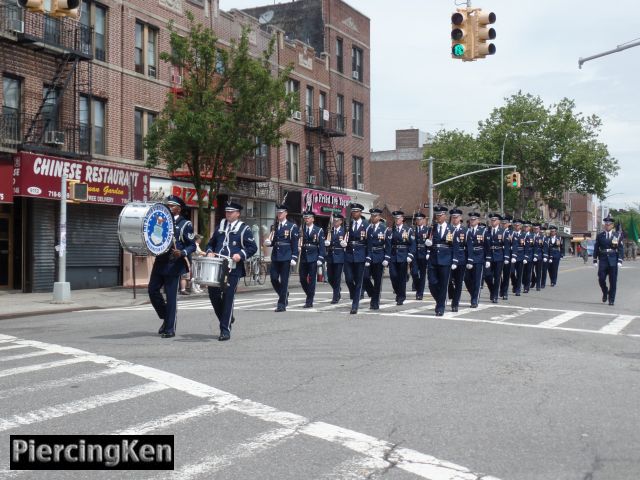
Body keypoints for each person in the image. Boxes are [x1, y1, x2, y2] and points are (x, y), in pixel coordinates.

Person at [205, 201, 257, 341]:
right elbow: (211, 243)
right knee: (213, 294)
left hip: (233, 268)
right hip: (217, 265)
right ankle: (226, 317)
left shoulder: (243, 229)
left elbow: (252, 247)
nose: (228, 214)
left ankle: (225, 330)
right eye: (227, 211)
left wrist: (240, 255)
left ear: (238, 214)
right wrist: (209, 251)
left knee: (228, 297)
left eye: (231, 212)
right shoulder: (220, 226)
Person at [149, 195, 196, 338]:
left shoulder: (185, 224)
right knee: (152, 291)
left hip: (174, 263)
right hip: (160, 261)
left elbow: (192, 245)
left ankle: (170, 328)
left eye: (171, 206)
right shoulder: (162, 221)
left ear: (178, 209)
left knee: (171, 297)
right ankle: (166, 317)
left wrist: (182, 252)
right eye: (168, 205)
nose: (169, 208)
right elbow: (156, 239)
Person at [263, 203, 299, 312]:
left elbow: (294, 243)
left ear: (286, 213)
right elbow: (274, 242)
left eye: (281, 212)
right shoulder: (275, 226)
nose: (279, 214)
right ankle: (284, 294)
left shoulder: (292, 226)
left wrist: (294, 257)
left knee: (284, 281)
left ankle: (282, 304)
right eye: (278, 212)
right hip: (276, 256)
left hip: (286, 257)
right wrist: (269, 243)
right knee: (273, 279)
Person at [427, 206, 455, 316]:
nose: (438, 217)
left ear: (444, 216)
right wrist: (427, 244)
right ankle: (440, 300)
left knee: (443, 285)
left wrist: (454, 260)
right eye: (436, 215)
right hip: (433, 259)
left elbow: (455, 246)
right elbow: (429, 241)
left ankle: (440, 307)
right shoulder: (432, 228)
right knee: (432, 283)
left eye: (440, 215)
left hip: (446, 259)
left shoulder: (451, 229)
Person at [384, 210, 416, 306]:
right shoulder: (390, 231)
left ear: (402, 219)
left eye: (398, 218)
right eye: (395, 218)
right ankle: (398, 292)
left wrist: (410, 255)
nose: (397, 220)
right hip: (393, 256)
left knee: (401, 278)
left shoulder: (408, 230)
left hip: (403, 256)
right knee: (393, 276)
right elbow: (388, 245)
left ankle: (401, 297)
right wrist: (387, 257)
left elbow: (412, 244)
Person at [593, 216, 623, 305]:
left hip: (613, 259)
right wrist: (595, 259)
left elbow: (620, 248)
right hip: (603, 259)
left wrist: (620, 260)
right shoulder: (600, 236)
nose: (607, 226)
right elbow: (596, 248)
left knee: (613, 281)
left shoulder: (617, 235)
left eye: (609, 224)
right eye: (606, 224)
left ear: (612, 225)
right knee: (601, 278)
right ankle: (605, 291)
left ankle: (611, 299)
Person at [298, 210, 325, 308]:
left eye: (308, 217)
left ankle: (309, 301)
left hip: (314, 257)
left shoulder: (318, 230)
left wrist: (320, 258)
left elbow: (322, 246)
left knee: (312, 279)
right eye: (305, 218)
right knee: (302, 278)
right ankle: (310, 294)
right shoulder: (301, 229)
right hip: (304, 257)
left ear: (313, 219)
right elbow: (298, 241)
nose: (306, 219)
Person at [344, 203, 368, 314]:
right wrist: (343, 242)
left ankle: (355, 305)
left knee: (358, 281)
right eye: (353, 211)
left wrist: (368, 257)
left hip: (360, 254)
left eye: (356, 211)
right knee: (348, 279)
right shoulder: (348, 224)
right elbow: (344, 236)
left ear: (360, 212)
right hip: (349, 255)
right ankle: (354, 295)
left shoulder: (366, 225)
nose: (354, 213)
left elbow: (369, 242)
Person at [464, 212, 490, 307]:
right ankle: (473, 294)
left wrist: (487, 259)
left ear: (478, 221)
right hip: (468, 257)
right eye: (471, 219)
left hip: (479, 257)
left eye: (474, 219)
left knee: (477, 280)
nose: (472, 221)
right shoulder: (466, 230)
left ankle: (474, 299)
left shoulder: (483, 231)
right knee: (467, 279)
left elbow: (487, 246)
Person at [363, 208, 387, 309]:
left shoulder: (384, 229)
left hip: (379, 256)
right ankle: (373, 293)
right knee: (365, 277)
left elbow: (387, 245)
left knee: (377, 281)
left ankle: (375, 302)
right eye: (372, 216)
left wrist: (386, 258)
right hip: (369, 256)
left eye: (375, 216)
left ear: (379, 217)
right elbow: (365, 243)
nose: (373, 217)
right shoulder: (368, 228)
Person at [447, 208, 467, 312]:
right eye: (453, 217)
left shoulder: (465, 230)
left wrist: (469, 260)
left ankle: (455, 303)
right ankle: (452, 294)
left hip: (461, 258)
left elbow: (468, 246)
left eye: (456, 217)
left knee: (459, 282)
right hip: (448, 258)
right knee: (448, 280)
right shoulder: (448, 229)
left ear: (460, 218)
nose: (455, 219)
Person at [485, 213, 508, 303]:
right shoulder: (487, 231)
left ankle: (495, 295)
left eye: (495, 220)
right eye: (492, 220)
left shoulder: (502, 232)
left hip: (499, 256)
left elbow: (506, 245)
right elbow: (485, 245)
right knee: (487, 276)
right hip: (489, 256)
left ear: (498, 221)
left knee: (497, 276)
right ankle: (492, 290)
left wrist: (506, 257)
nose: (493, 222)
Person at [325, 213, 346, 304]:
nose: (335, 222)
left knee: (337, 277)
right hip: (330, 256)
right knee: (330, 277)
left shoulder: (344, 231)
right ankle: (337, 289)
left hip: (339, 255)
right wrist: (326, 242)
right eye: (334, 220)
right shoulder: (330, 231)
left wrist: (345, 244)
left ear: (341, 221)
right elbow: (325, 240)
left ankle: (335, 297)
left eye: (337, 220)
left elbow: (347, 243)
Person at [410, 212, 432, 301]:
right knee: (414, 273)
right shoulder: (413, 230)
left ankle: (420, 293)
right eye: (417, 219)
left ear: (423, 220)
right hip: (414, 254)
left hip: (423, 254)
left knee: (422, 275)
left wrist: (428, 252)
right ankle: (417, 286)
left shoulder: (428, 230)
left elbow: (429, 243)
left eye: (420, 219)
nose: (418, 221)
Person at [499, 215, 515, 300]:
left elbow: (515, 245)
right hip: (499, 255)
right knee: (497, 274)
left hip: (508, 256)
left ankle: (505, 292)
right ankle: (501, 288)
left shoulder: (512, 233)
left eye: (505, 223)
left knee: (506, 275)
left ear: (508, 224)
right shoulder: (499, 231)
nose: (503, 224)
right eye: (502, 223)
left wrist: (513, 256)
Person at [510, 219, 525, 296]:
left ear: (521, 226)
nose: (516, 226)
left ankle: (518, 289)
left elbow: (526, 247)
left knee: (519, 273)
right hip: (512, 255)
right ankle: (514, 283)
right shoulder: (510, 234)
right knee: (511, 272)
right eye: (515, 225)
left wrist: (525, 257)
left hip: (520, 256)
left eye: (518, 225)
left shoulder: (524, 235)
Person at [531, 223, 545, 291]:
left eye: (537, 228)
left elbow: (544, 247)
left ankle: (538, 285)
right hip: (531, 256)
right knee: (531, 270)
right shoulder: (530, 235)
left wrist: (544, 256)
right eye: (534, 228)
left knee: (538, 271)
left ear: (539, 229)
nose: (535, 230)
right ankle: (533, 280)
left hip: (539, 256)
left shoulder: (542, 237)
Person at [521, 220, 534, 294]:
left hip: (529, 256)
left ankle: (526, 287)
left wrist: (534, 256)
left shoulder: (532, 236)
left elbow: (534, 247)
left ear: (529, 228)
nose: (525, 228)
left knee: (528, 272)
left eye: (527, 227)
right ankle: (523, 283)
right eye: (525, 227)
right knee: (522, 272)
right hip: (521, 256)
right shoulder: (521, 235)